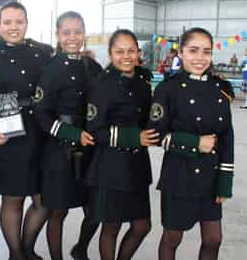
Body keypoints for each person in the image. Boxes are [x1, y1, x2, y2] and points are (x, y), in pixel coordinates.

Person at [0, 1, 54, 260]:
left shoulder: (43, 52)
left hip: (41, 134)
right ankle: (16, 254)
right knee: (13, 200)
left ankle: (27, 247)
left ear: (27, 24)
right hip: (7, 137)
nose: (13, 27)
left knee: (44, 201)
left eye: (19, 21)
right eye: (7, 22)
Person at [147, 27, 234, 260]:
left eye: (206, 51)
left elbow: (227, 136)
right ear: (182, 53)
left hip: (211, 175)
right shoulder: (167, 89)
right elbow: (155, 134)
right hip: (179, 175)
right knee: (172, 238)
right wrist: (195, 143)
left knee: (213, 239)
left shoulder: (221, 90)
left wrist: (225, 180)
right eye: (193, 50)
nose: (200, 57)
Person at [34, 11, 102, 260]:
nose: (73, 37)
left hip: (91, 149)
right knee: (58, 212)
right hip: (59, 150)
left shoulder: (92, 66)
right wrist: (72, 133)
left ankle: (80, 248)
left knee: (95, 209)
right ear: (58, 35)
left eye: (78, 32)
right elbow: (41, 114)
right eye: (66, 32)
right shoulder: (50, 69)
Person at [86, 29, 157, 260]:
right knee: (111, 228)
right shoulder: (102, 85)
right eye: (119, 51)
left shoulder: (142, 82)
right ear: (110, 53)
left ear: (138, 52)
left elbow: (150, 118)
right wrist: (134, 137)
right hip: (110, 169)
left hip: (137, 167)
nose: (126, 56)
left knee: (141, 226)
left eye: (131, 51)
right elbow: (95, 130)